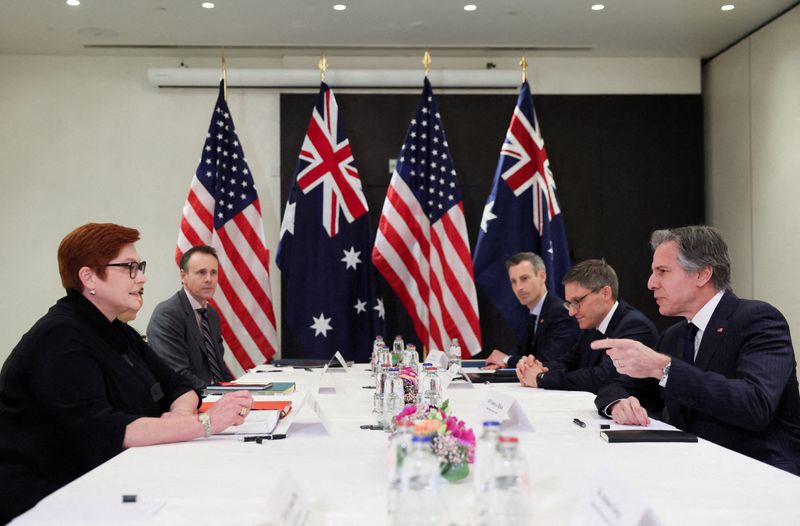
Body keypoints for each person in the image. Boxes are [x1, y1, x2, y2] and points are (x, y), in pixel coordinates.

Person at [0, 223, 253, 522]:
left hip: (106, 479)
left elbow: (179, 385)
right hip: (46, 500)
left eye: (140, 266)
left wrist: (182, 416)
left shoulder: (116, 330)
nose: (142, 277)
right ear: (89, 277)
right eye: (130, 267)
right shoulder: (59, 337)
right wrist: (206, 423)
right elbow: (109, 431)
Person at [592, 226, 800, 475]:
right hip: (692, 467)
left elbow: (754, 405)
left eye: (663, 271)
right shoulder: (674, 336)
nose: (650, 283)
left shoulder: (758, 319)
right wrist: (619, 403)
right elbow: (616, 387)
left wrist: (664, 368)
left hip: (757, 471)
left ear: (702, 274)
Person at [516, 259, 657, 393]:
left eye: (577, 301)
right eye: (569, 303)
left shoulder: (635, 326)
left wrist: (541, 378)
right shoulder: (591, 325)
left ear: (605, 293)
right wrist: (534, 367)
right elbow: (568, 362)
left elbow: (601, 377)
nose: (571, 312)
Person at [147, 246, 234, 389]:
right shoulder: (167, 315)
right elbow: (179, 375)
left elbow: (220, 367)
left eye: (213, 272)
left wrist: (237, 390)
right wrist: (220, 394)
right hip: (186, 401)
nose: (209, 279)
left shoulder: (211, 314)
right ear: (183, 276)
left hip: (212, 397)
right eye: (201, 272)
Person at [484, 252, 578, 369]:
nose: (519, 288)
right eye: (514, 281)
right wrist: (501, 363)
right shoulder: (534, 313)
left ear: (542, 277)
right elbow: (522, 351)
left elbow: (547, 360)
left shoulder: (560, 312)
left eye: (524, 278)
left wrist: (506, 360)